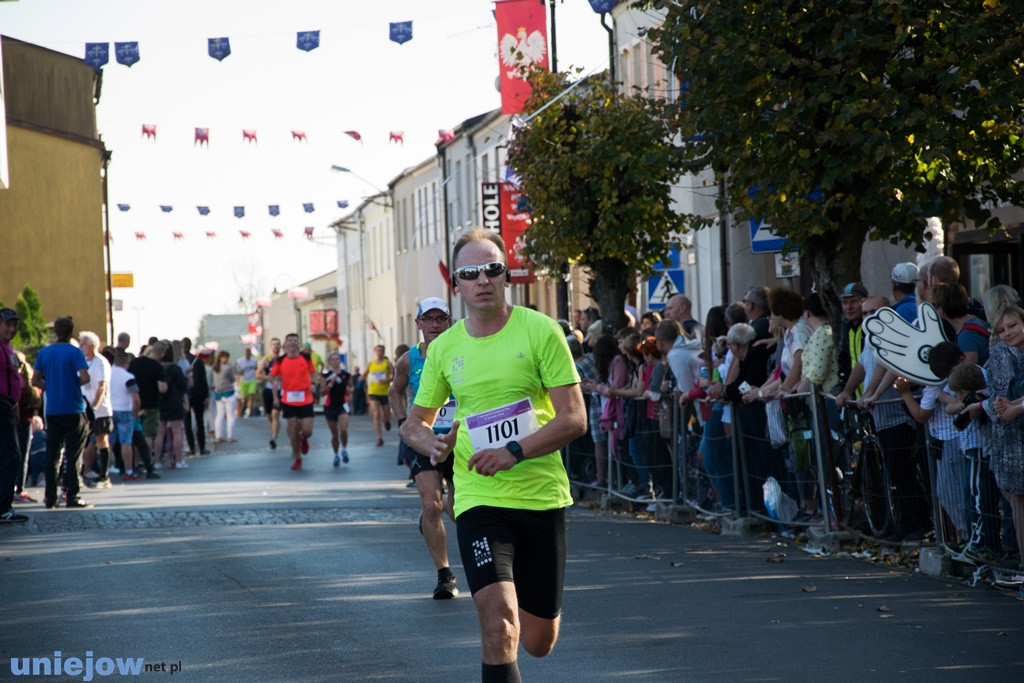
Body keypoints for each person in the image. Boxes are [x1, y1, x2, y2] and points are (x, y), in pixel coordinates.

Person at [400, 228, 586, 682]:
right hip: (480, 500)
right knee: (499, 621)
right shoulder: (444, 348)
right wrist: (433, 443)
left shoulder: (540, 330)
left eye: (492, 269)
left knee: (539, 641)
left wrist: (514, 451)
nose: (482, 279)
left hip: (541, 496)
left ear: (506, 277)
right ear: (457, 284)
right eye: (470, 272)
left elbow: (575, 418)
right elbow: (413, 423)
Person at [389, 297, 460, 599]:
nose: (434, 325)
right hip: (423, 438)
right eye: (428, 319)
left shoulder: (463, 351)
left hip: (459, 438)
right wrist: (406, 422)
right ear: (418, 323)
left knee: (458, 510)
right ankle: (445, 575)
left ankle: (441, 513)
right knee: (431, 504)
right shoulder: (409, 359)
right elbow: (394, 391)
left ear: (449, 322)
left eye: (440, 319)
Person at [980, 306, 1024, 581]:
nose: (1008, 333)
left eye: (1013, 325)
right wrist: (1003, 403)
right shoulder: (1010, 355)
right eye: (1001, 330)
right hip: (1013, 439)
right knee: (1016, 502)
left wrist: (1015, 408)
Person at [33, 316, 92, 509]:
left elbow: (35, 381)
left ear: (55, 332)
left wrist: (49, 385)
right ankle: (72, 495)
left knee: (52, 454)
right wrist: (72, 382)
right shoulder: (75, 352)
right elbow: (85, 377)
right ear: (71, 332)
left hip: (53, 410)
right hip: (73, 407)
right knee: (73, 453)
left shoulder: (45, 353)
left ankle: (50, 497)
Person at [271, 333, 316, 471]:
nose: (292, 343)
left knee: (308, 430)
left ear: (298, 343)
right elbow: (275, 379)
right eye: (289, 340)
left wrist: (313, 383)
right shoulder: (280, 360)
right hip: (289, 399)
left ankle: (304, 438)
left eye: (295, 340)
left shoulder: (306, 358)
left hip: (305, 397)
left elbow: (312, 372)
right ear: (286, 344)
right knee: (292, 429)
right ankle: (297, 458)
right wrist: (276, 398)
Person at [0, 308, 28, 522]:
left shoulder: (8, 348)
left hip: (8, 404)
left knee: (9, 455)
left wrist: (15, 404)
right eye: (7, 324)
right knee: (11, 455)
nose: (12, 328)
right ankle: (3, 508)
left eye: (14, 324)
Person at [78, 331, 114, 490]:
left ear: (92, 346)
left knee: (101, 440)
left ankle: (104, 475)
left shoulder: (101, 362)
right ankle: (84, 472)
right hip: (83, 407)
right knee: (84, 442)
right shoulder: (83, 361)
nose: (80, 347)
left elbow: (102, 387)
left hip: (99, 409)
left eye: (83, 344)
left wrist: (94, 407)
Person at [128, 341, 168, 459]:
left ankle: (136, 462)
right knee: (148, 434)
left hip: (135, 402)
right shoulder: (157, 367)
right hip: (151, 404)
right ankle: (147, 460)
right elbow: (163, 388)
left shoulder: (135, 362)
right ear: (162, 354)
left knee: (136, 434)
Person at [108, 349, 143, 480]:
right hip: (125, 410)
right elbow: (135, 398)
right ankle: (129, 471)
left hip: (110, 410)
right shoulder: (128, 377)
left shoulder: (108, 374)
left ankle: (103, 471)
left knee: (108, 442)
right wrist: (136, 413)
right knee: (126, 442)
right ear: (126, 362)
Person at [156, 342, 189, 469]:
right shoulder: (176, 368)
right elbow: (183, 386)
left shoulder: (157, 368)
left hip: (160, 402)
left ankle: (157, 462)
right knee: (177, 432)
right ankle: (179, 461)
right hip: (175, 401)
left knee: (160, 433)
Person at [321, 353, 352, 467]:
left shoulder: (346, 375)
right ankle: (336, 455)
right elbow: (322, 392)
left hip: (342, 406)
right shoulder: (326, 375)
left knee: (343, 430)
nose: (335, 361)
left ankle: (344, 449)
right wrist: (331, 384)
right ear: (330, 362)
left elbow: (351, 387)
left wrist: (350, 390)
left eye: (337, 359)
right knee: (334, 434)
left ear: (340, 361)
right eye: (332, 359)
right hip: (330, 406)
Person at [362, 345, 393, 447]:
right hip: (373, 392)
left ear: (384, 352)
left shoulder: (387, 363)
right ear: (375, 352)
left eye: (381, 350)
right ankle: (379, 438)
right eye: (378, 350)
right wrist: (360, 379)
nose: (379, 352)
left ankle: (386, 421)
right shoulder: (371, 364)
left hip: (385, 393)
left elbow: (394, 376)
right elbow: (365, 374)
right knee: (376, 414)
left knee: (386, 416)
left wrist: (386, 380)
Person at [257, 337, 282, 449]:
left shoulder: (283, 359)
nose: (276, 346)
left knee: (275, 414)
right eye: (274, 344)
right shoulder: (266, 360)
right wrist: (267, 377)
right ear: (270, 346)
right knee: (269, 417)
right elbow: (257, 374)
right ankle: (274, 429)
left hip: (281, 390)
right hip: (268, 390)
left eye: (277, 344)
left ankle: (274, 438)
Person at [187, 347, 212, 457]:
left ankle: (191, 447)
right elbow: (203, 379)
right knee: (199, 421)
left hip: (186, 394)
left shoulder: (180, 360)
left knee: (187, 422)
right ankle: (201, 447)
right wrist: (206, 395)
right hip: (198, 394)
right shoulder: (197, 360)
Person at [212, 351, 236, 444]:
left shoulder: (214, 368)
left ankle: (219, 436)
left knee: (219, 416)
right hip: (228, 393)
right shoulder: (227, 368)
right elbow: (233, 379)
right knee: (230, 415)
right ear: (222, 358)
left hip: (218, 394)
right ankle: (230, 436)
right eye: (226, 357)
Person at [235, 347, 260, 418]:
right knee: (244, 399)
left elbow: (256, 368)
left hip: (251, 380)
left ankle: (250, 411)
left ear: (250, 353)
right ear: (245, 353)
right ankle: (242, 411)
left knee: (252, 395)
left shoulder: (253, 361)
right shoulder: (240, 361)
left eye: (249, 352)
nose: (248, 354)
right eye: (246, 352)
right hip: (243, 381)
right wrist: (239, 372)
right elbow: (237, 369)